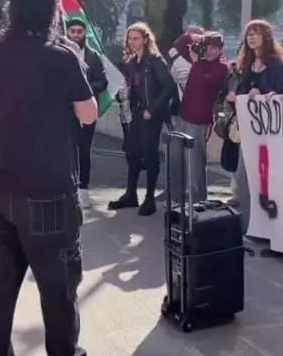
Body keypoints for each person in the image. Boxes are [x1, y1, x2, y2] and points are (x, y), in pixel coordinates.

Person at [0, 0, 97, 356]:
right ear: (51, 10)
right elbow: (89, 114)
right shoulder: (60, 55)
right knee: (58, 284)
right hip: (48, 191)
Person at [108, 22, 175, 217]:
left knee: (150, 154)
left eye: (136, 38)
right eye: (130, 38)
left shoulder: (155, 61)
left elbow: (169, 87)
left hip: (149, 115)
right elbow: (127, 87)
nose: (132, 42)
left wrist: (152, 109)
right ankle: (131, 194)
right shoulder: (131, 62)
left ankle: (149, 198)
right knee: (132, 152)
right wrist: (121, 95)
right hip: (133, 113)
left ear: (146, 39)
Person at [226, 21, 283, 219]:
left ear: (266, 37)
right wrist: (235, 95)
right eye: (248, 34)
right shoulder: (246, 63)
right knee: (244, 177)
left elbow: (280, 91)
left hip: (267, 132)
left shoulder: (276, 64)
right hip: (248, 129)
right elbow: (244, 91)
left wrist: (261, 92)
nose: (251, 37)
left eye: (256, 33)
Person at [170, 30, 228, 203]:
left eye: (214, 48)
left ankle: (198, 201)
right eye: (206, 47)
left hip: (200, 119)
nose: (209, 51)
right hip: (182, 114)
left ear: (220, 49)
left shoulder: (222, 67)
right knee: (175, 158)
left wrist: (196, 62)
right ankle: (177, 198)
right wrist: (194, 39)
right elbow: (178, 43)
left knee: (195, 162)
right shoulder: (197, 61)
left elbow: (206, 84)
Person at [66, 16, 108, 208]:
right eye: (72, 31)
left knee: (83, 151)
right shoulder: (61, 53)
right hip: (65, 113)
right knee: (65, 150)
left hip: (86, 111)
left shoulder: (93, 56)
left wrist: (82, 89)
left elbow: (102, 82)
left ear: (84, 34)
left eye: (79, 32)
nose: (75, 35)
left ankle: (83, 189)